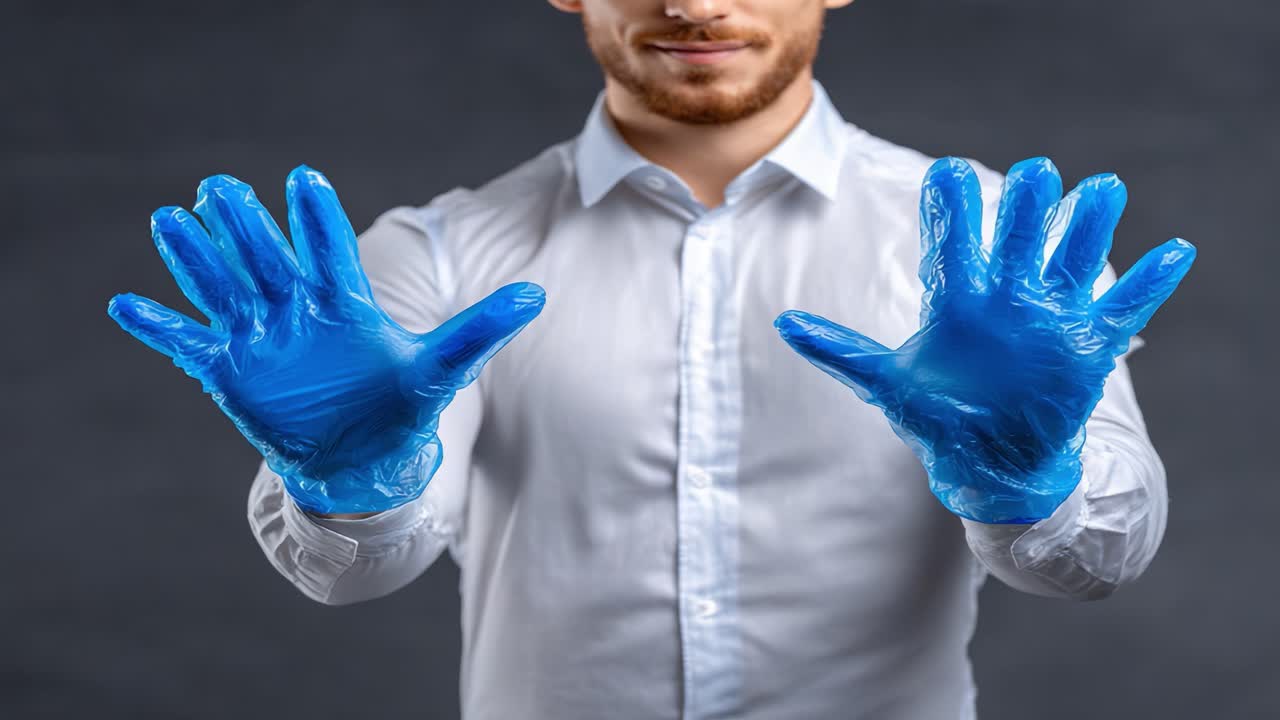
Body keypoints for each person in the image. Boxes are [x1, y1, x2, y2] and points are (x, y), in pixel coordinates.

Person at [106, 1, 1196, 718]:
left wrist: (1027, 484)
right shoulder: (430, 259)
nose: (694, 2)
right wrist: (352, 485)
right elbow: (356, 571)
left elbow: (1096, 564)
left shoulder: (1008, 263)